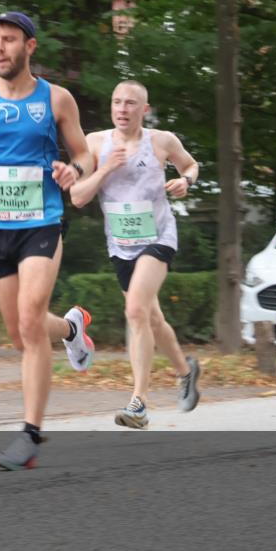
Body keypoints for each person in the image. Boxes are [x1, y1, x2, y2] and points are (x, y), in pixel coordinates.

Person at [0, 11, 96, 470]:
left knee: (30, 320)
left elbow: (84, 152)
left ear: (30, 46)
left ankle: (29, 435)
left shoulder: (56, 98)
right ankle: (71, 330)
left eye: (8, 39)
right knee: (20, 333)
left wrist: (75, 170)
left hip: (41, 222)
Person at [70, 80, 202, 429]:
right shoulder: (95, 143)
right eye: (117, 102)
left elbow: (191, 165)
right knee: (152, 319)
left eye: (130, 103)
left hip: (158, 237)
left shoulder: (162, 141)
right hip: (120, 245)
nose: (122, 109)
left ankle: (139, 403)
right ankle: (186, 372)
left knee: (135, 311)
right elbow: (78, 197)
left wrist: (186, 181)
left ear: (145, 109)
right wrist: (106, 168)